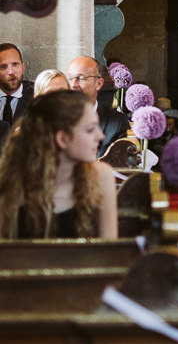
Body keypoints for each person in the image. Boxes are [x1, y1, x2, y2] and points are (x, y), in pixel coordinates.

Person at [0, 90, 118, 239]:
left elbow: (108, 251)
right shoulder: (11, 181)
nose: (100, 136)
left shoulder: (102, 176)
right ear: (62, 138)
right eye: (90, 129)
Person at [67, 56, 126, 154]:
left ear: (98, 83)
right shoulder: (54, 119)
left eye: (80, 78)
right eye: (69, 78)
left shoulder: (117, 123)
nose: (73, 84)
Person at [0, 43, 31, 129]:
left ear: (23, 67)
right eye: (3, 67)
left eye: (15, 64)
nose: (11, 72)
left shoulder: (37, 95)